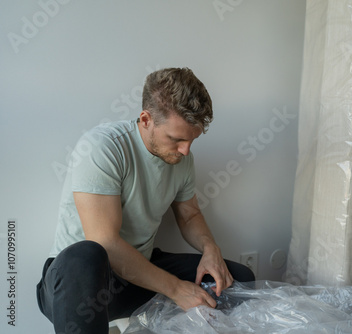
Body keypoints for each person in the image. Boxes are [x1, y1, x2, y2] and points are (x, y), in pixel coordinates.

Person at [36, 67, 255, 334]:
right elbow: (105, 241)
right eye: (176, 139)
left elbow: (190, 215)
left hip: (138, 275)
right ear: (146, 119)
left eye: (191, 140)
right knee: (87, 253)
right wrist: (176, 289)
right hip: (79, 284)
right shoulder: (103, 147)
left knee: (238, 281)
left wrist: (211, 249)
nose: (186, 150)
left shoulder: (183, 158)